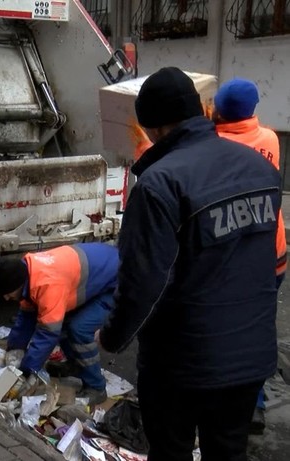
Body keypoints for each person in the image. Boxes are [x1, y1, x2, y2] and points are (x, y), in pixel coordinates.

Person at [99, 67, 281, 461]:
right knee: (229, 452)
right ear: (201, 111)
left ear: (150, 128)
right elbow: (266, 263)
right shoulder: (262, 169)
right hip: (250, 359)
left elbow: (142, 283)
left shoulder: (159, 184)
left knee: (171, 451)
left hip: (183, 364)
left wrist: (111, 337)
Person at [213, 77, 286, 434]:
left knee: (222, 325)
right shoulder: (270, 138)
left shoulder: (215, 142)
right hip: (272, 252)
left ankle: (219, 400)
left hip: (235, 254)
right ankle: (254, 406)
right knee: (259, 326)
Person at [0, 242, 119, 405]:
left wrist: (27, 371)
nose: (6, 299)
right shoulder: (27, 274)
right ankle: (76, 365)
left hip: (117, 281)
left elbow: (48, 334)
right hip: (98, 271)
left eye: (7, 294)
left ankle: (96, 387)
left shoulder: (47, 284)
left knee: (79, 329)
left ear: (18, 284)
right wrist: (15, 349)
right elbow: (26, 319)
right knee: (63, 323)